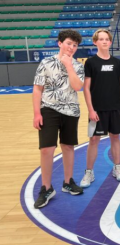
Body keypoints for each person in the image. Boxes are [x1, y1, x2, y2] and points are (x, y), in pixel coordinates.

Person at [32, 29, 85, 208]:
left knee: (68, 146)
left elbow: (78, 87)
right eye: (69, 43)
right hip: (48, 109)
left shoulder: (78, 66)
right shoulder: (46, 62)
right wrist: (37, 113)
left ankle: (68, 181)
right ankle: (46, 188)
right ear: (60, 43)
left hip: (71, 110)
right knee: (47, 149)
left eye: (75, 45)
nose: (71, 47)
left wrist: (69, 66)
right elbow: (37, 89)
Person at [80, 29, 120, 188]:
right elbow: (86, 88)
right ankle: (89, 172)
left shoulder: (117, 62)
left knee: (115, 137)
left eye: (107, 39)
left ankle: (117, 168)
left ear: (110, 41)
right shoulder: (91, 62)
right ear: (95, 42)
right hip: (98, 109)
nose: (104, 41)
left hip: (114, 108)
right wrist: (91, 109)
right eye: (101, 39)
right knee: (94, 140)